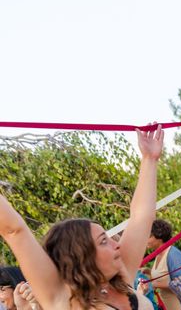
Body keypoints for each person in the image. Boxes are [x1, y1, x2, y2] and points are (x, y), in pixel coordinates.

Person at [0, 123, 164, 309]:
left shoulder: (121, 277)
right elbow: (14, 230)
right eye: (103, 241)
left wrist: (150, 159)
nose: (117, 244)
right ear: (80, 256)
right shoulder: (62, 300)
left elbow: (141, 217)